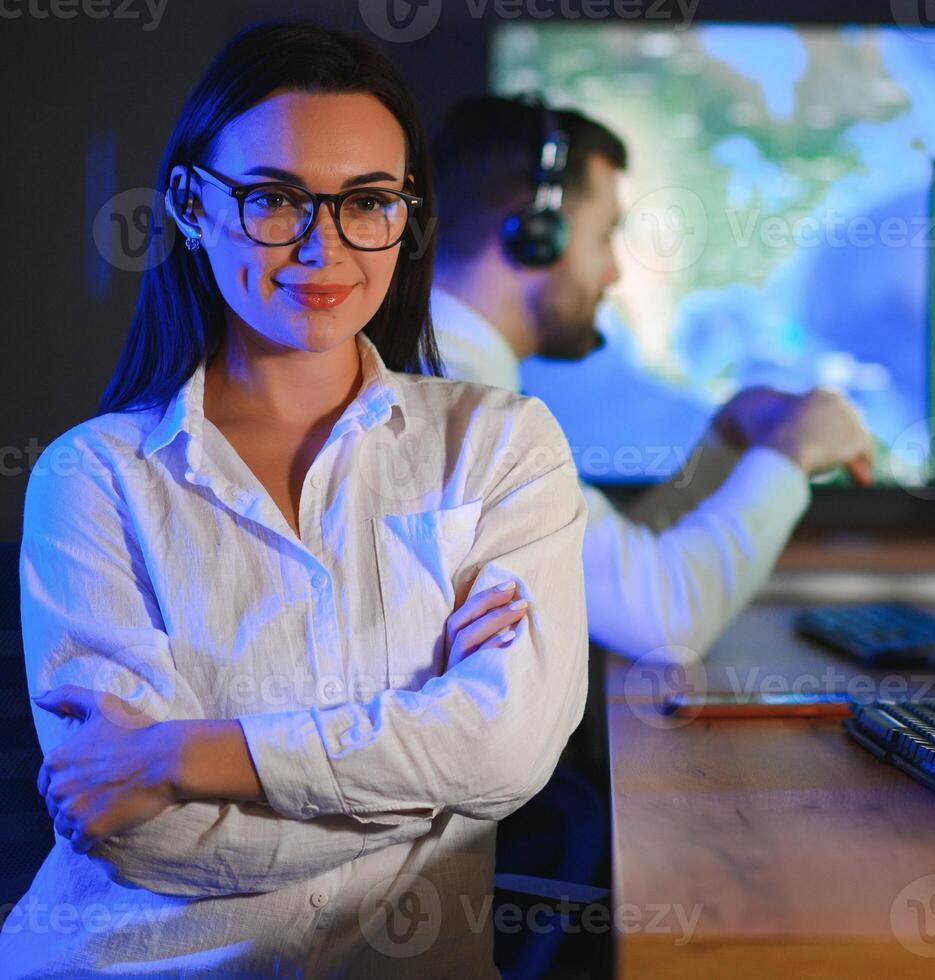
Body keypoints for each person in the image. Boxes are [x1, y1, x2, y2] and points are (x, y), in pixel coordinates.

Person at [3, 22, 586, 977]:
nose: (323, 248)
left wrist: (176, 757)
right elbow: (145, 843)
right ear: (190, 204)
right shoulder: (92, 476)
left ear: (405, 216)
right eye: (275, 198)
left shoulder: (500, 446)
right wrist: (437, 784)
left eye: (367, 202)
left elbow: (513, 752)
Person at [430, 96, 875, 664]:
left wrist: (725, 448)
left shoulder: (449, 380)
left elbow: (602, 570)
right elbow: (667, 617)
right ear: (534, 235)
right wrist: (792, 454)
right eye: (604, 236)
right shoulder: (471, 414)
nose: (613, 271)